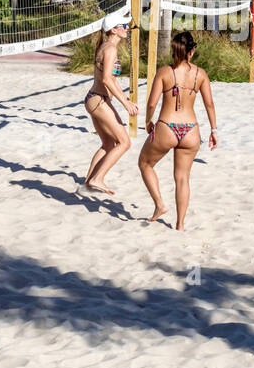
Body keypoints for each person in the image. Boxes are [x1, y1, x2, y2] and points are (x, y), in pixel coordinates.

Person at [137, 31, 218, 231]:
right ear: (191, 51)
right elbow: (209, 105)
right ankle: (180, 225)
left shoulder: (165, 72)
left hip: (167, 126)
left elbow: (152, 103)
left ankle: (160, 204)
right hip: (191, 130)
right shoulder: (200, 74)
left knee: (145, 163)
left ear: (174, 50)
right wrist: (214, 130)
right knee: (182, 178)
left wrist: (148, 121)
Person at [80, 19, 139, 195]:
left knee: (108, 143)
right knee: (124, 142)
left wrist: (124, 97)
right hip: (98, 100)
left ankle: (86, 184)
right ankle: (97, 179)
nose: (127, 28)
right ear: (113, 29)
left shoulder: (105, 46)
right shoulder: (110, 49)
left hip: (94, 99)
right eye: (124, 26)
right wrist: (126, 103)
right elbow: (106, 78)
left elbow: (111, 80)